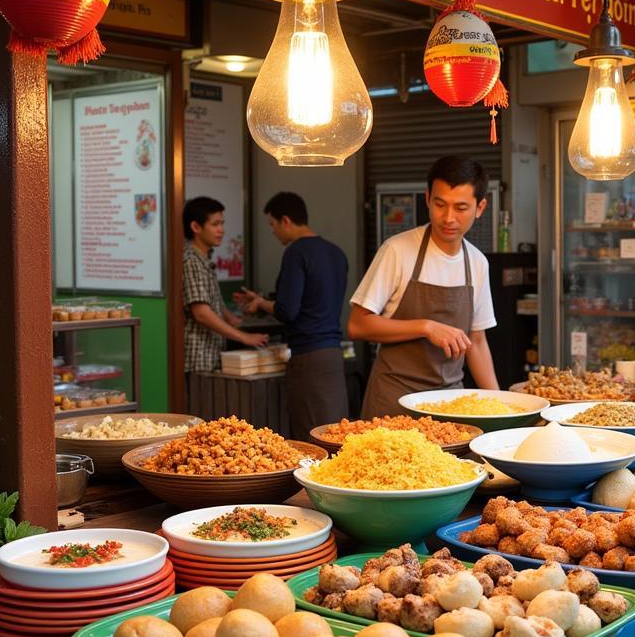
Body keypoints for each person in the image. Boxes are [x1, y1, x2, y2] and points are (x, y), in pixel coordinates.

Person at [347, 155, 499, 418]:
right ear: (428, 198)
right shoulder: (397, 250)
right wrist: (426, 327)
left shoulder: (477, 262)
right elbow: (357, 325)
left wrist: (500, 408)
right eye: (440, 204)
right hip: (394, 401)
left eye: (461, 208)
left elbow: (477, 341)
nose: (448, 218)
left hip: (451, 405)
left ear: (480, 207)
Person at [234, 192, 349, 441]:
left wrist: (261, 303)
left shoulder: (296, 252)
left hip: (308, 358)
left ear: (286, 220)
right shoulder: (336, 253)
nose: (273, 232)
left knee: (311, 439)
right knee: (335, 435)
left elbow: (288, 310)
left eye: (272, 225)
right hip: (333, 356)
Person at [182, 196, 267, 407]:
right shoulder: (192, 261)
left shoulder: (204, 260)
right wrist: (244, 337)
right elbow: (201, 313)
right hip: (197, 359)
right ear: (195, 227)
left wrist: (238, 319)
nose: (221, 230)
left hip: (209, 357)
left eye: (222, 223)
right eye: (215, 224)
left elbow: (216, 307)